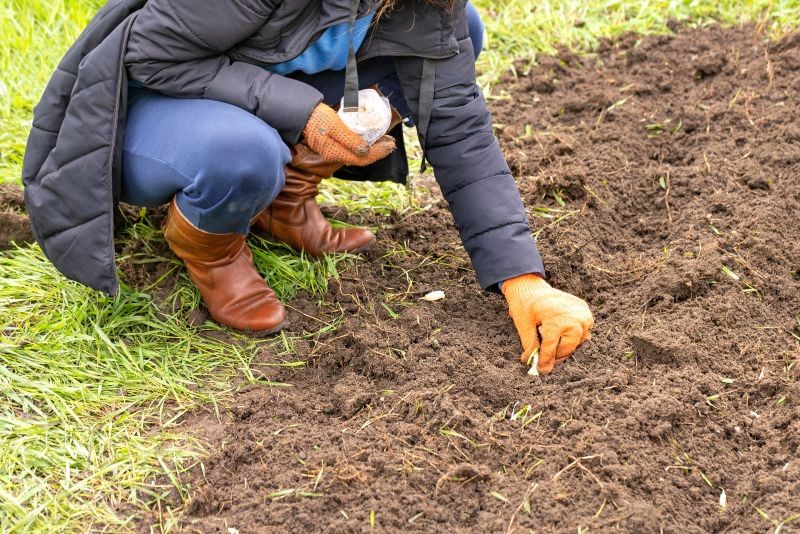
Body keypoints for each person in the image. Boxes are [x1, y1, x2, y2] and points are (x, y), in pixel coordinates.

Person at [23, 0, 593, 374]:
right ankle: (214, 249)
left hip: (237, 86)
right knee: (242, 153)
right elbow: (150, 54)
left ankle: (281, 200)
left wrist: (524, 282)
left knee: (458, 30)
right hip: (144, 105)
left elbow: (461, 132)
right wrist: (306, 113)